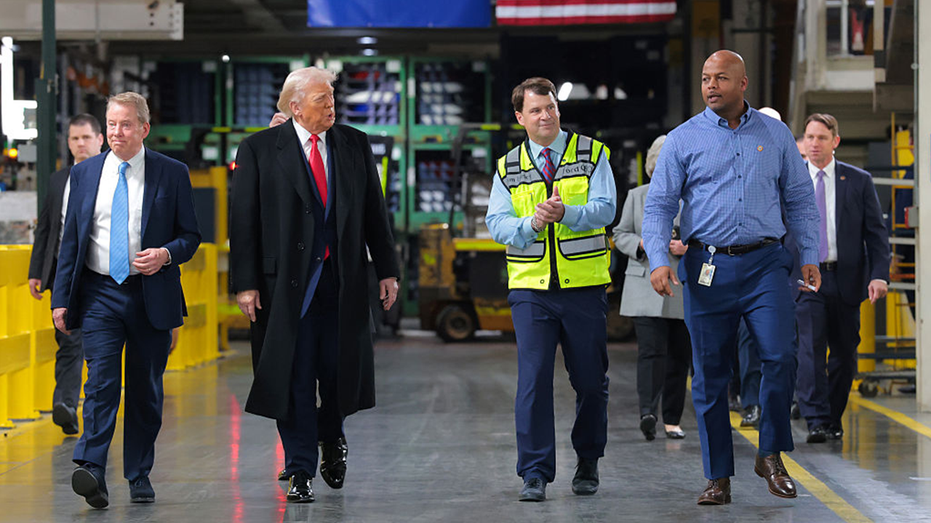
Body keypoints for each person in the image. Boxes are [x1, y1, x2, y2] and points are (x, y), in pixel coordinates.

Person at [642, 50, 821, 506]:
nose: (710, 85)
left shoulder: (775, 134)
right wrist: (660, 258)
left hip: (766, 264)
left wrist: (810, 254)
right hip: (708, 268)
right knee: (710, 377)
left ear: (743, 84)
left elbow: (800, 199)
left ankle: (771, 453)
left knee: (780, 357)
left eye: (721, 77)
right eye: (705, 78)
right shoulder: (683, 140)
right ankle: (718, 475)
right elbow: (660, 204)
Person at [230, 66, 400, 504]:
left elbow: (373, 213)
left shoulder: (353, 144)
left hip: (340, 281)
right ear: (295, 107)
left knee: (338, 371)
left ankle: (332, 437)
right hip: (283, 289)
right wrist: (245, 283)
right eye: (322, 99)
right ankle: (300, 466)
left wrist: (387, 268)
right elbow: (243, 221)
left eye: (332, 97)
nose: (332, 105)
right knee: (294, 378)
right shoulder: (259, 150)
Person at [51, 92, 201, 508]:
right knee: (100, 382)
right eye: (111, 125)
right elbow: (72, 242)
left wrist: (166, 254)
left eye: (126, 125)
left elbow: (191, 236)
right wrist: (61, 299)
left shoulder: (171, 173)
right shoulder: (84, 175)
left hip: (150, 294)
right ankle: (91, 468)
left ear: (144, 129)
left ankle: (138, 473)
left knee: (145, 390)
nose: (117, 133)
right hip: (99, 292)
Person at [485, 77, 616, 502]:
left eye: (551, 107)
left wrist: (568, 213)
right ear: (520, 117)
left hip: (583, 285)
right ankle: (535, 472)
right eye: (536, 110)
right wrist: (533, 224)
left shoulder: (592, 153)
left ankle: (588, 460)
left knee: (591, 382)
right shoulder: (507, 167)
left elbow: (607, 208)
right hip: (531, 290)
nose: (546, 116)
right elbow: (497, 223)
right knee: (534, 381)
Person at [794, 113, 889, 443]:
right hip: (807, 278)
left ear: (835, 141)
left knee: (845, 354)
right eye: (809, 137)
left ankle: (833, 416)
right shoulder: (791, 180)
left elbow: (876, 234)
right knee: (810, 351)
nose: (814, 143)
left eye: (821, 137)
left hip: (846, 278)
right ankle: (816, 419)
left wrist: (878, 275)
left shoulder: (858, 180)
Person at [28, 113, 103, 435]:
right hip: (63, 272)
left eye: (86, 137)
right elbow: (46, 228)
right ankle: (67, 405)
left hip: (101, 272)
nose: (80, 144)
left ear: (99, 139)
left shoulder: (112, 176)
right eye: (74, 139)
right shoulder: (60, 180)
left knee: (99, 344)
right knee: (69, 339)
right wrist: (36, 272)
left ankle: (95, 407)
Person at [613, 135, 691, 441]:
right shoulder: (637, 196)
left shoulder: (696, 198)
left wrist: (687, 245)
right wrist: (643, 244)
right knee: (650, 352)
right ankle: (648, 412)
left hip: (683, 286)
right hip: (644, 284)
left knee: (680, 356)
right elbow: (619, 234)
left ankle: (672, 419)